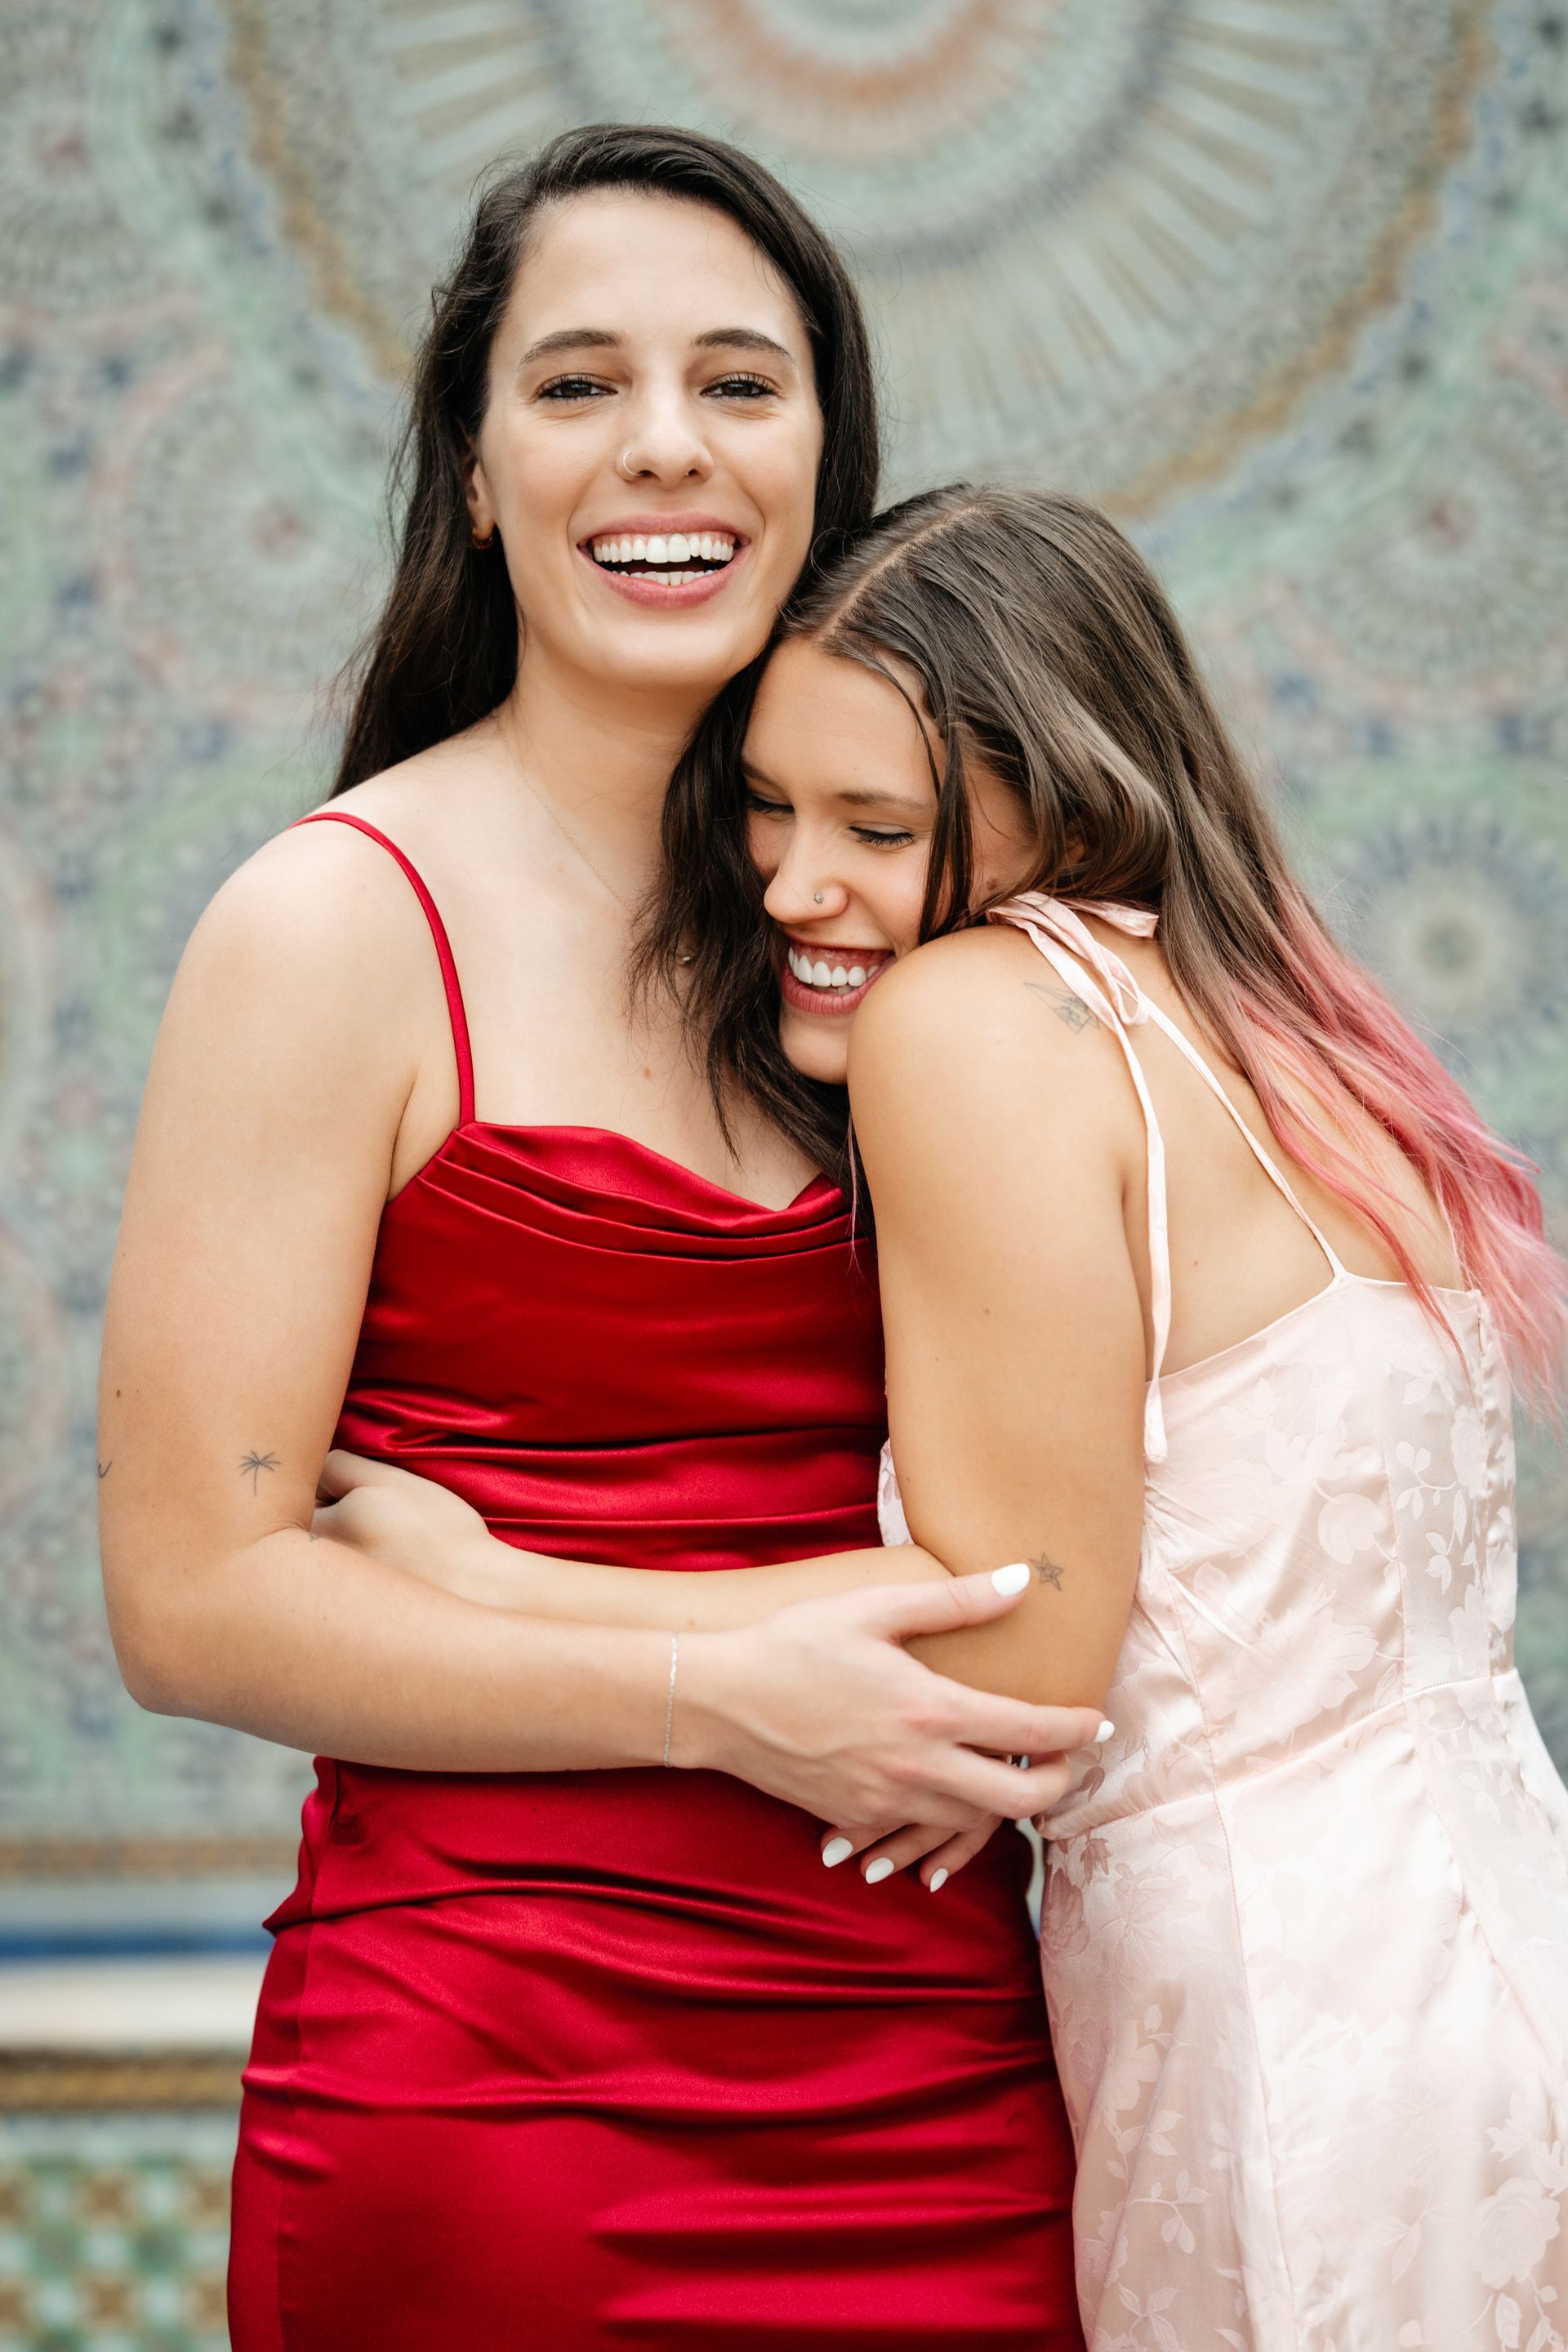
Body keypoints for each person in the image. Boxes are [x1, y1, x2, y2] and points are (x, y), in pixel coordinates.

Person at [332, 484, 1568, 2348]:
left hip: (1282, 2035)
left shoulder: (976, 1018)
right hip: (1498, 1968)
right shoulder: (1307, 1041)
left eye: (876, 828)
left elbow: (1014, 1680)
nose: (793, 886)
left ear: (1063, 804)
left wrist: (483, 1578)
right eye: (767, 804)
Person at [98, 136, 1099, 2350]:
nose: (666, 444)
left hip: (951, 2070)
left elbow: (1105, 1535)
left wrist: (518, 1579)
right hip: (500, 2091)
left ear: (829, 461)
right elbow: (190, 1598)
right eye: (577, 385)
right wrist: (702, 1689)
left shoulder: (932, 918)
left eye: (741, 383)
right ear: (472, 472)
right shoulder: (336, 925)